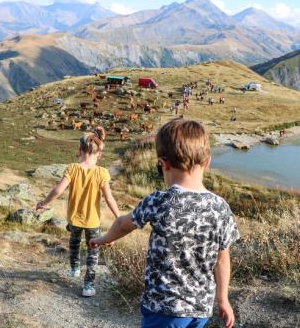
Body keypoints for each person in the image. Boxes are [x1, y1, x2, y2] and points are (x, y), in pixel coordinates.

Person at [90, 119, 240, 328]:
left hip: (164, 308)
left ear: (163, 163)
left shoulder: (158, 201)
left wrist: (103, 238)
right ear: (207, 162)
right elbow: (222, 260)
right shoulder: (220, 207)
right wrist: (223, 299)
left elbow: (124, 224)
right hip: (201, 308)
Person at [36, 126, 120, 297]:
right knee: (93, 253)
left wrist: (43, 203)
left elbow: (58, 190)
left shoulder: (72, 168)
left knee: (74, 243)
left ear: (79, 150)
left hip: (74, 219)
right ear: (99, 154)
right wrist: (119, 217)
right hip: (93, 221)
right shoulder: (102, 172)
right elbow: (110, 198)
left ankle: (74, 268)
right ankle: (88, 286)